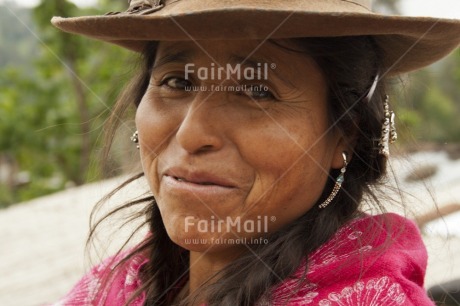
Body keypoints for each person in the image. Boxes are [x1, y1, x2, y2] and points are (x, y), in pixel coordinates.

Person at [50, 0, 460, 305]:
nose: (192, 133)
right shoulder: (114, 288)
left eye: (257, 91)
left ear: (344, 136)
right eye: (176, 82)